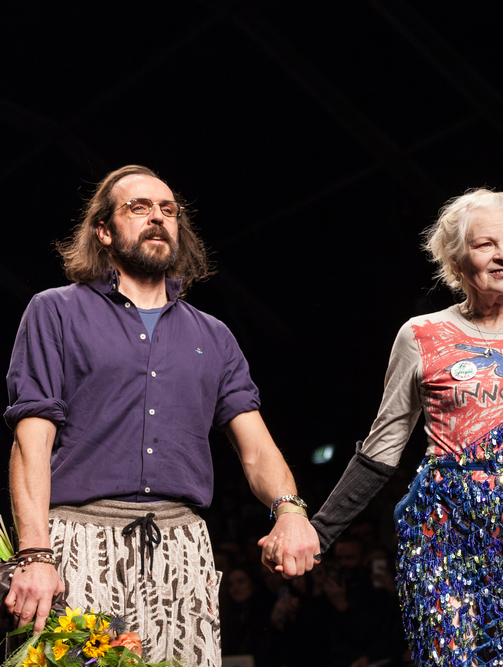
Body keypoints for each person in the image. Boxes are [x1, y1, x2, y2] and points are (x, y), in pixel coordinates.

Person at [273, 189, 503, 667]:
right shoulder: (420, 335)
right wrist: (319, 533)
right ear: (455, 261)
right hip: (441, 529)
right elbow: (380, 452)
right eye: (485, 244)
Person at [4, 165, 319, 666]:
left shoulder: (214, 336)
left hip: (182, 547)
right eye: (139, 208)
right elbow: (31, 442)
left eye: (168, 210)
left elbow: (256, 447)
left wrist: (291, 510)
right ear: (104, 232)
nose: (157, 218)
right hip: (79, 543)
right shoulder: (55, 311)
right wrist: (36, 555)